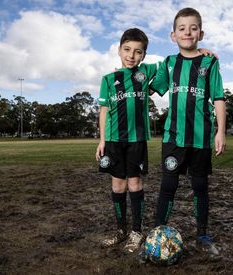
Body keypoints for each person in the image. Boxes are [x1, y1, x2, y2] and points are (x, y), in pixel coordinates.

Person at [150, 7, 226, 257]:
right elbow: (150, 89)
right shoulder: (169, 63)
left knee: (201, 186)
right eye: (182, 28)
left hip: (202, 137)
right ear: (173, 35)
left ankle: (202, 236)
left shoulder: (210, 61)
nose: (187, 32)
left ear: (201, 34)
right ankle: (156, 236)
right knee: (168, 186)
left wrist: (220, 131)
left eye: (193, 28)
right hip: (173, 137)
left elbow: (218, 98)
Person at [96, 28, 157, 253]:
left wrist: (201, 51)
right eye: (127, 50)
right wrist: (102, 140)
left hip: (137, 140)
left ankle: (137, 232)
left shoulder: (145, 73)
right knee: (117, 184)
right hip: (113, 140)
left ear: (144, 55)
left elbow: (173, 63)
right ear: (119, 50)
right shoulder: (108, 79)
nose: (132, 55)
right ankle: (121, 230)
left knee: (135, 183)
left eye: (138, 52)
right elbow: (103, 111)